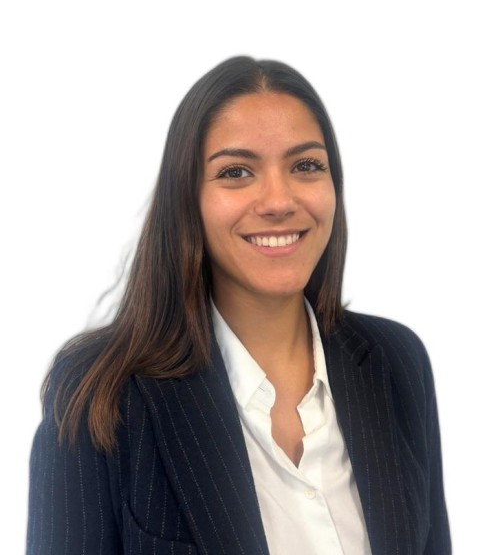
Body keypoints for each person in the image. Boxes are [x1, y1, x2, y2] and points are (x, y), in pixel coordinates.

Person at [27, 56, 451, 555]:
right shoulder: (103, 393)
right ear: (187, 198)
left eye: (306, 166)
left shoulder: (396, 362)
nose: (278, 200)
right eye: (236, 172)